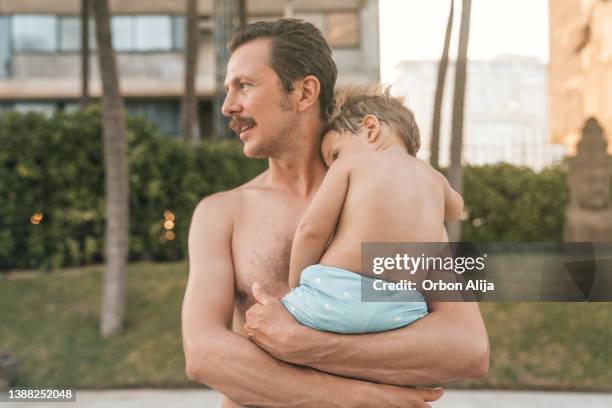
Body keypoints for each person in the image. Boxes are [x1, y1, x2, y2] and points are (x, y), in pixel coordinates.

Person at [182, 19, 489, 408]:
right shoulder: (221, 213)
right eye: (229, 89)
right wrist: (353, 396)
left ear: (304, 91)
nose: (228, 106)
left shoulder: (391, 200)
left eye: (245, 85)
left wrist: (306, 344)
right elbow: (203, 352)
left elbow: (467, 347)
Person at [282, 88, 464, 334]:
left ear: (370, 128)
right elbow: (455, 209)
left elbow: (311, 230)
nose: (331, 166)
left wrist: (296, 288)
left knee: (271, 320)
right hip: (403, 310)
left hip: (336, 295)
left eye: (334, 154)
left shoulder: (350, 164)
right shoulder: (434, 179)